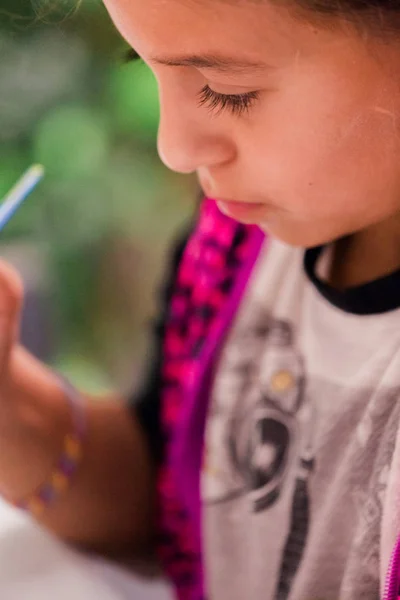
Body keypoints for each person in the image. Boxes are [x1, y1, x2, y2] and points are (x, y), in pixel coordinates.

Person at [2, 0, 400, 598]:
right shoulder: (234, 243)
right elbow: (173, 504)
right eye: (143, 63)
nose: (175, 148)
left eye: (224, 90)